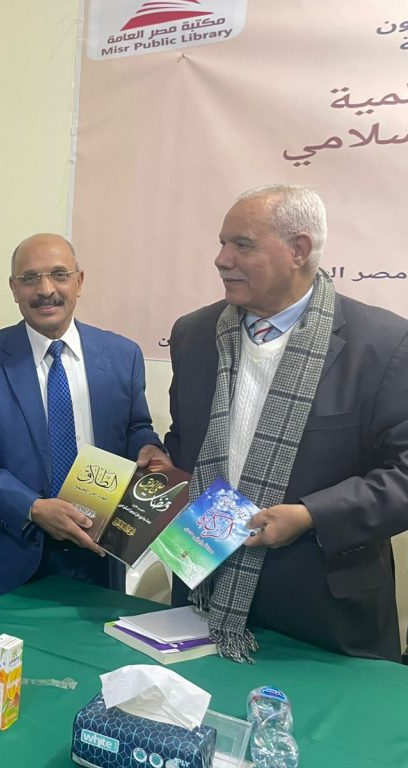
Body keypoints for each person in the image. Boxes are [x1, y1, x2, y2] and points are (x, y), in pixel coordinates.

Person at [165, 183, 408, 663]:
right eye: (222, 243)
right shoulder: (193, 334)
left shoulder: (384, 345)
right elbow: (189, 442)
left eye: (242, 244)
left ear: (298, 250)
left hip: (324, 613)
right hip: (203, 588)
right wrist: (162, 459)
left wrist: (312, 515)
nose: (221, 259)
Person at [0, 233, 167, 610]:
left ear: (79, 281)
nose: (45, 290)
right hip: (10, 552)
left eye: (59, 274)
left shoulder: (122, 355)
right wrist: (32, 507)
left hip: (98, 555)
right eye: (29, 278)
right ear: (14, 288)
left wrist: (149, 447)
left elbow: (135, 429)